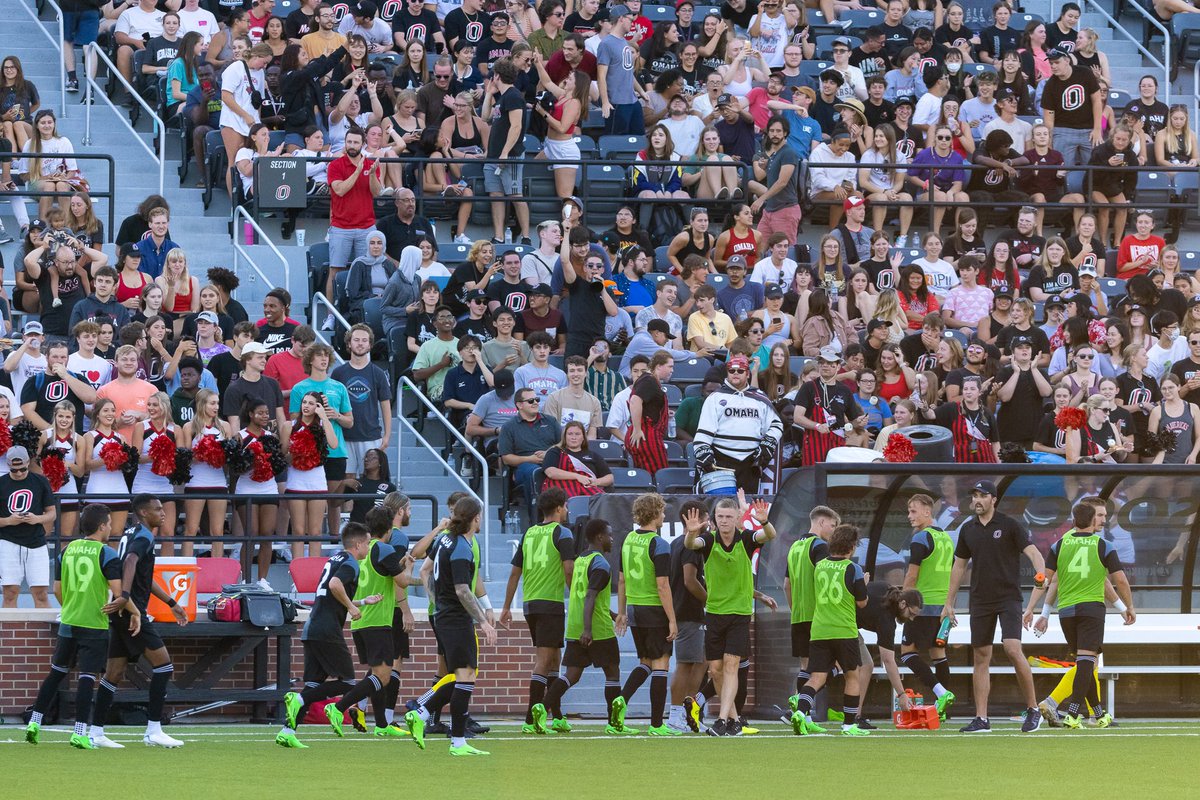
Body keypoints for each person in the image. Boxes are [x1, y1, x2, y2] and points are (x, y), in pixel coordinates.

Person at [24, 505, 134, 749]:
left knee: (56, 673)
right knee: (86, 677)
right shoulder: (107, 553)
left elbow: (57, 589)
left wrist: (71, 606)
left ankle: (34, 723)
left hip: (69, 620)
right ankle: (80, 732)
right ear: (102, 525)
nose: (111, 527)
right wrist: (134, 612)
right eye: (109, 523)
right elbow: (118, 594)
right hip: (93, 623)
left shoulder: (67, 549)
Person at [942, 479, 1046, 733]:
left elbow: (1033, 552)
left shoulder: (1009, 525)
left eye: (982, 495)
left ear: (993, 499)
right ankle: (982, 719)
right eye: (974, 495)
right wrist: (949, 603)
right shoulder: (968, 529)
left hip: (1008, 598)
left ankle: (1033, 710)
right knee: (981, 656)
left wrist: (1040, 572)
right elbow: (959, 565)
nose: (977, 500)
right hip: (980, 600)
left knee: (1012, 648)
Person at [86, 495, 187, 749]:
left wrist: (171, 602)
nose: (163, 513)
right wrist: (126, 599)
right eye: (158, 509)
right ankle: (153, 730)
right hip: (131, 611)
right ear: (143, 512)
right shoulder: (144, 535)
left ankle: (96, 732)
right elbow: (130, 563)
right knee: (163, 665)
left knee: (114, 673)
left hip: (121, 610)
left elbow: (142, 572)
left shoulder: (130, 533)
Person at [275, 523, 380, 747]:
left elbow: (330, 591)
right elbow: (334, 584)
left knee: (314, 684)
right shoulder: (352, 563)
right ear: (359, 544)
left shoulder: (335, 559)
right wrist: (352, 609)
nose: (369, 548)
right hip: (327, 630)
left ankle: (287, 731)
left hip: (313, 627)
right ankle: (299, 699)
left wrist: (360, 602)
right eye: (368, 543)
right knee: (349, 681)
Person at [405, 497, 497, 754]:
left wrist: (436, 599)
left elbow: (425, 569)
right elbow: (463, 590)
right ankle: (454, 739)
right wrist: (483, 621)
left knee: (459, 676)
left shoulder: (445, 539)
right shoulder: (462, 548)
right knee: (466, 676)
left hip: (444, 616)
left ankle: (424, 713)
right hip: (456, 619)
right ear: (475, 518)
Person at [679, 497, 773, 736]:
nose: (724, 521)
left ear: (737, 518)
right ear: (714, 519)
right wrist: (690, 533)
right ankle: (734, 721)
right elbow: (692, 545)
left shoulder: (746, 538)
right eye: (720, 517)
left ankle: (721, 720)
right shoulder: (709, 540)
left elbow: (769, 535)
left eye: (729, 516)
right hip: (714, 612)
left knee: (731, 665)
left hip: (739, 613)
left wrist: (765, 522)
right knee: (716, 670)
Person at [498, 487, 575, 733]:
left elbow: (514, 572)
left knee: (554, 658)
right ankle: (532, 719)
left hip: (530, 603)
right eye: (566, 506)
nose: (567, 510)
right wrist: (577, 597)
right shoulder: (563, 533)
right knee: (544, 661)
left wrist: (507, 606)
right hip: (550, 602)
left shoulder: (529, 533)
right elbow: (569, 570)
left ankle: (558, 715)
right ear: (559, 508)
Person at [788, 524, 871, 736]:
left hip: (820, 630)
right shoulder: (853, 568)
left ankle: (801, 712)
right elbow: (861, 603)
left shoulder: (820, 566)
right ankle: (849, 725)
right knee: (852, 676)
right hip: (844, 629)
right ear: (851, 547)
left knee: (816, 677)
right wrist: (864, 584)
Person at [609, 492, 676, 736]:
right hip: (654, 610)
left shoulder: (627, 539)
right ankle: (657, 725)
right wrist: (671, 619)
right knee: (661, 665)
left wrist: (623, 612)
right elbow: (662, 586)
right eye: (662, 510)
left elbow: (621, 580)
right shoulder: (659, 544)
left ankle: (621, 701)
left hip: (636, 610)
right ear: (656, 513)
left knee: (646, 662)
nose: (664, 514)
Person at [324, 128, 382, 330]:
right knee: (335, 271)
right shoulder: (336, 165)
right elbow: (339, 190)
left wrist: (372, 174)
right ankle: (331, 316)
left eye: (356, 143)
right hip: (341, 226)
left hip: (366, 226)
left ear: (363, 144)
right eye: (349, 142)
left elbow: (377, 192)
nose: (352, 146)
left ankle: (366, 314)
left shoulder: (371, 164)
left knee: (368, 271)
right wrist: (358, 171)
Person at [332, 324, 392, 485]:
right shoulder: (338, 373)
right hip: (344, 436)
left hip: (370, 435)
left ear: (370, 344)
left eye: (364, 340)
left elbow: (386, 405)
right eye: (356, 339)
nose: (360, 343)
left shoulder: (378, 373)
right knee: (347, 480)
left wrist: (386, 435)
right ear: (349, 343)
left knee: (371, 479)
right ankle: (346, 512)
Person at [0, 447, 56, 609]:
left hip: (36, 540)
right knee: (10, 592)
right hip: (8, 541)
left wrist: (36, 519)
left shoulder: (40, 481)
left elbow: (52, 513)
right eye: (14, 470)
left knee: (41, 593)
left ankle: (44, 633)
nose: (18, 473)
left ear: (28, 463)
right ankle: (8, 634)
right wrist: (9, 521)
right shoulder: (2, 483)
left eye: (22, 469)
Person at [482, 58, 531, 245]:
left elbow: (516, 126)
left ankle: (526, 236)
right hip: (493, 155)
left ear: (496, 76)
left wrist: (505, 153)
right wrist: (488, 94)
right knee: (496, 195)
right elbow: (485, 117)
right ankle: (498, 237)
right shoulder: (502, 96)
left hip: (509, 155)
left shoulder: (513, 96)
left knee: (516, 196)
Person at [794, 347, 863, 465]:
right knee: (813, 477)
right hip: (814, 442)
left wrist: (860, 422)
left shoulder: (844, 390)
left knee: (836, 480)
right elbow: (797, 417)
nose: (825, 365)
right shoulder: (808, 387)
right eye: (822, 362)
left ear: (838, 366)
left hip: (837, 442)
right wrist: (817, 426)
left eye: (830, 363)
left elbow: (853, 422)